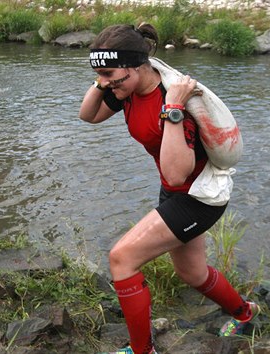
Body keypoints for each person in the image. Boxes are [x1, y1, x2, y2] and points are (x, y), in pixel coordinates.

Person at [78, 23, 258, 354]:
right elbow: (88, 116)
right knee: (192, 272)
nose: (103, 82)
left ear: (135, 66)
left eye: (108, 72)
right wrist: (102, 78)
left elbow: (177, 175)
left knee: (122, 259)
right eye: (97, 74)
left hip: (198, 198)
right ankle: (246, 313)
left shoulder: (174, 101)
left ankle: (142, 351)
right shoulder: (125, 90)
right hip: (175, 193)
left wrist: (174, 108)